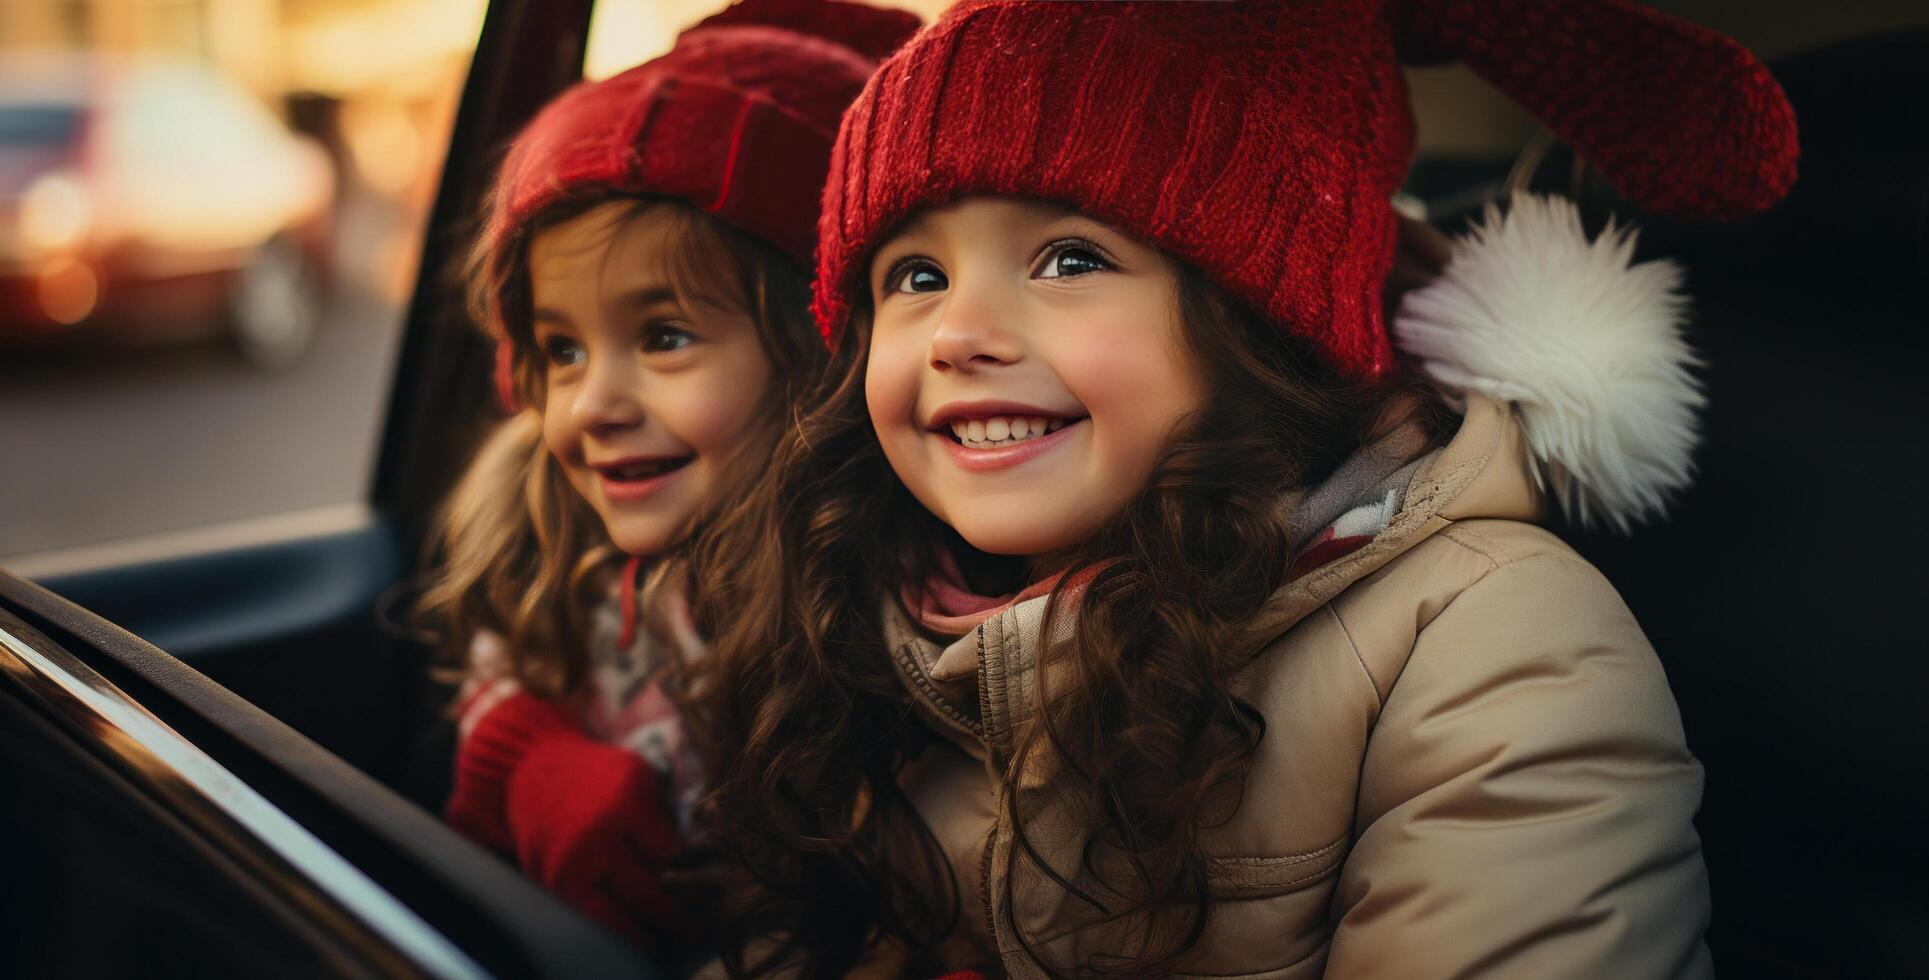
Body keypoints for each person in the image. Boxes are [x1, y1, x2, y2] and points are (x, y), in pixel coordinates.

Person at [685, 0, 1799, 974]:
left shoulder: (1494, 639)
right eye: (914, 276)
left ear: (1268, 317)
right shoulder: (878, 616)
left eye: (1070, 259)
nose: (958, 334)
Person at [412, 0, 918, 951]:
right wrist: (522, 754)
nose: (591, 404)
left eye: (664, 336)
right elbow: (500, 659)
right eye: (560, 351)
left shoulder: (890, 618)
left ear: (823, 352)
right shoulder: (553, 548)